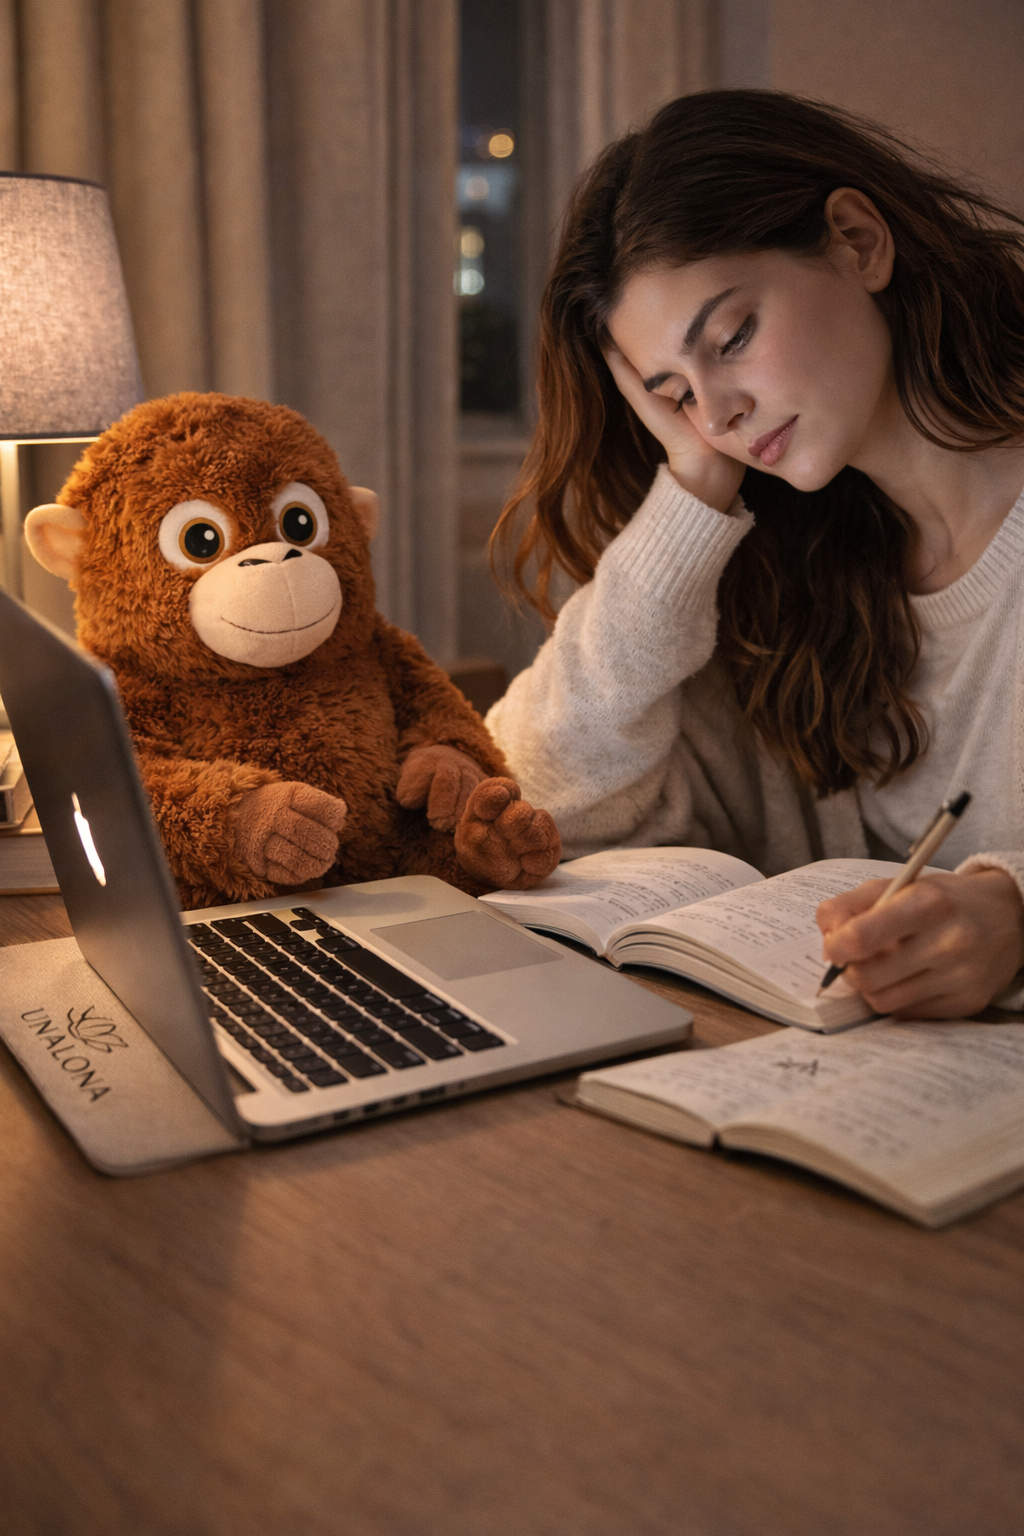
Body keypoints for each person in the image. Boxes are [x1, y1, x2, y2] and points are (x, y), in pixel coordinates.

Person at [486, 89, 1024, 1020]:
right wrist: (690, 486)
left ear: (858, 241)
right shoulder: (783, 572)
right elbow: (534, 795)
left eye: (732, 338)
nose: (719, 411)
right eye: (671, 392)